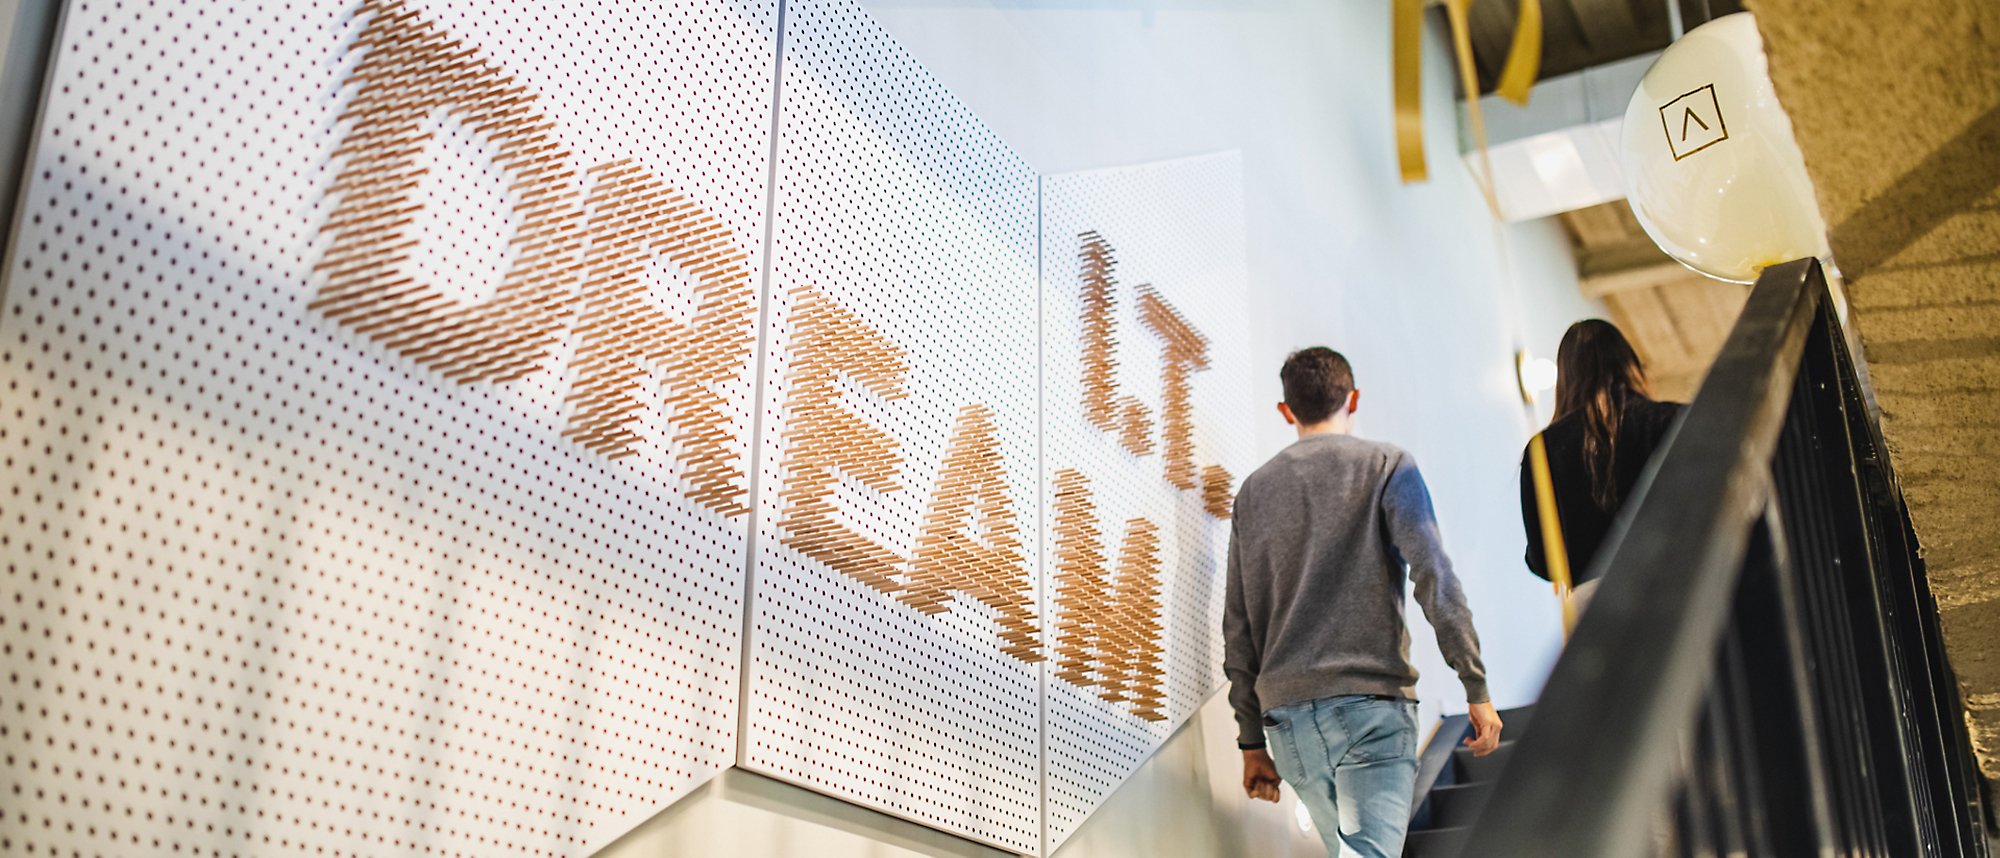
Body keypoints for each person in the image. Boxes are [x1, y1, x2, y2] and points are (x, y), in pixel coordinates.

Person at [1225, 347, 1501, 858]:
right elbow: (1433, 575)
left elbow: (1237, 627)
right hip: (1370, 709)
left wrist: (1250, 743)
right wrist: (1475, 685)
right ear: (1353, 399)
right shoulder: (1386, 465)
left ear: (1287, 410)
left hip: (1287, 724)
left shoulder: (1253, 492)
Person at [1519, 319, 1684, 612]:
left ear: (1566, 377)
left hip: (1595, 609)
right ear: (1630, 364)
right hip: (1671, 580)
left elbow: (1544, 561)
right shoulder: (1671, 420)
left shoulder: (1542, 450)